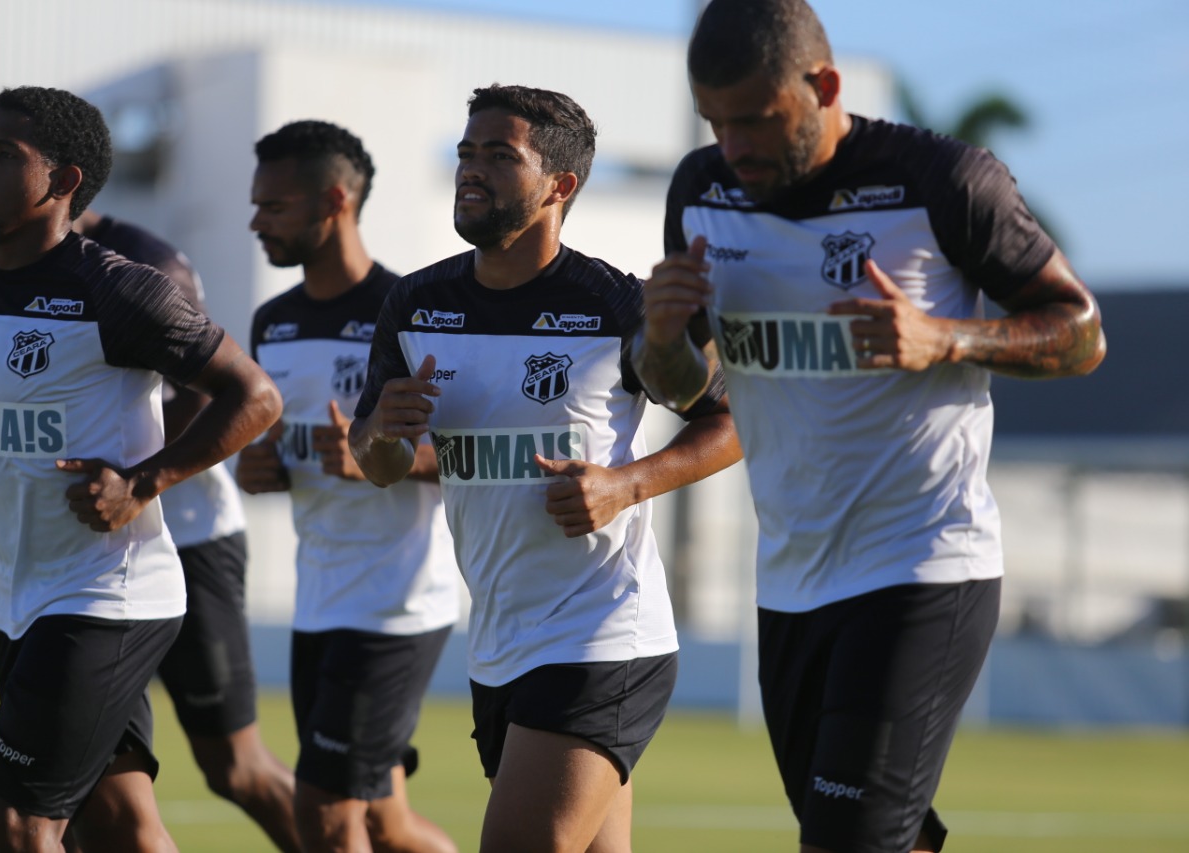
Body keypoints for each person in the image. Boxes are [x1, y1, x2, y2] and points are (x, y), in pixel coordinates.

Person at [633, 2, 1108, 852]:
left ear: (824, 86)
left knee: (845, 841)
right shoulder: (701, 192)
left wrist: (946, 338)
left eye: (755, 119)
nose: (732, 145)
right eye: (716, 121)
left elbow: (1080, 332)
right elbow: (691, 391)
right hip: (790, 583)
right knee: (877, 834)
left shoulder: (943, 181)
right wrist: (662, 342)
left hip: (923, 565)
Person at [349, 84, 742, 853]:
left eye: (500, 156)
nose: (472, 169)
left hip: (602, 633)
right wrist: (386, 436)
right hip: (499, 640)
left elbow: (734, 423)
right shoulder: (416, 304)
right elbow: (381, 462)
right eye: (466, 153)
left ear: (559, 185)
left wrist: (625, 484)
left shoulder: (613, 307)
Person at [0, 85, 282, 853]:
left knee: (17, 824)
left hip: (106, 597)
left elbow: (256, 397)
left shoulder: (118, 288)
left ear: (64, 181)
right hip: (22, 600)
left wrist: (145, 482)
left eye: (3, 153)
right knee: (118, 828)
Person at [237, 119, 460, 853]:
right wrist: (261, 469)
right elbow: (279, 448)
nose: (255, 221)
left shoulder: (412, 312)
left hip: (397, 606)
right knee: (382, 823)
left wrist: (382, 452)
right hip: (319, 600)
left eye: (273, 206)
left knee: (325, 811)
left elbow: (463, 451)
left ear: (333, 200)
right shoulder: (273, 322)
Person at [71, 210, 301, 853]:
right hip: (79, 561)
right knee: (88, 793)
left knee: (237, 769)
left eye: (3, 153)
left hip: (184, 540)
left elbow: (210, 396)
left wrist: (132, 481)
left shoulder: (143, 264)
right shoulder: (6, 274)